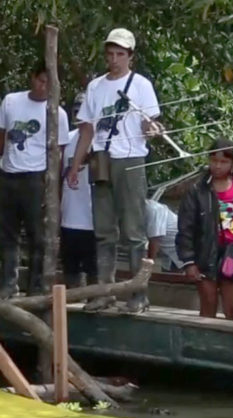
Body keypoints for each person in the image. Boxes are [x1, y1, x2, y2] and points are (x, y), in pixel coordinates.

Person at [67, 29, 163, 313]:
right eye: (110, 54)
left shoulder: (141, 85)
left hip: (130, 158)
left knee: (133, 231)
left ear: (130, 56)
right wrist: (75, 165)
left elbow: (149, 122)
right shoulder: (96, 87)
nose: (114, 59)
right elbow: (87, 128)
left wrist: (152, 129)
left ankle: (138, 294)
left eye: (120, 54)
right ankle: (104, 292)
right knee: (103, 229)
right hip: (101, 157)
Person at [0, 64, 70, 298]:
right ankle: (9, 282)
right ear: (32, 78)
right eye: (41, 81)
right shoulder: (12, 101)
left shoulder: (57, 113)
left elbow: (58, 153)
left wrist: (55, 186)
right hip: (9, 173)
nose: (44, 87)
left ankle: (36, 285)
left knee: (37, 235)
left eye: (49, 84)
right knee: (7, 232)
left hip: (36, 177)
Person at [176, 139, 233, 321]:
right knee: (208, 306)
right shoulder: (197, 189)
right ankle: (204, 346)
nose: (218, 166)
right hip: (205, 253)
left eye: (224, 162)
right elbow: (185, 227)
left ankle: (232, 346)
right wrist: (188, 261)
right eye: (214, 160)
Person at [61, 93, 97, 288]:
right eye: (76, 109)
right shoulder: (66, 139)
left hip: (93, 219)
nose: (78, 114)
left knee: (94, 270)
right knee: (70, 270)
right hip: (68, 217)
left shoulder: (101, 140)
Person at [146, 199, 184, 272]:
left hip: (179, 252)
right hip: (167, 255)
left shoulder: (154, 209)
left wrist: (147, 267)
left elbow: (155, 239)